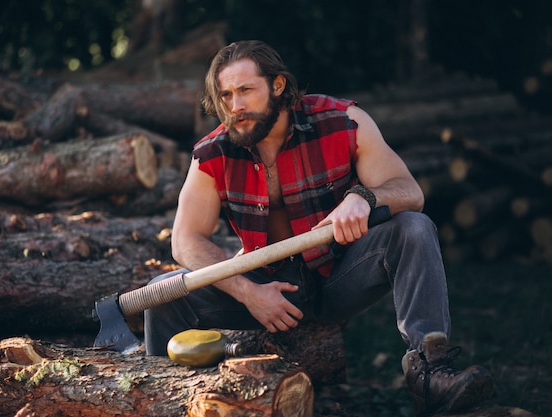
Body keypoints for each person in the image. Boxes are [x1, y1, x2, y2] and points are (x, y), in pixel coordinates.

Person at [144, 40, 494, 416]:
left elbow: (409, 192)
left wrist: (364, 197)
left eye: (246, 90)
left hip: (339, 275)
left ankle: (430, 373)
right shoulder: (213, 153)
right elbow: (184, 241)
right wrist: (248, 292)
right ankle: (158, 400)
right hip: (268, 287)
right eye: (226, 95)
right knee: (161, 294)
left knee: (413, 227)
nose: (235, 106)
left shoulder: (342, 121)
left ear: (278, 85)